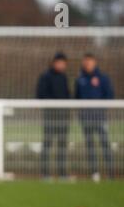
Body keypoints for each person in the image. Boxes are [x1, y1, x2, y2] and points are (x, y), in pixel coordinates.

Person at [75, 53, 114, 182]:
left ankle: (110, 172)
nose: (87, 64)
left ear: (95, 62)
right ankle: (95, 172)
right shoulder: (80, 79)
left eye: (90, 61)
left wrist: (101, 109)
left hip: (100, 118)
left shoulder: (103, 78)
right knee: (90, 145)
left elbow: (109, 95)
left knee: (104, 144)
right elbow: (76, 98)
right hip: (86, 118)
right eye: (85, 61)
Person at [36, 52, 71, 179]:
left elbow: (67, 94)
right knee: (48, 144)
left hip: (63, 117)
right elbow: (40, 94)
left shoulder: (64, 77)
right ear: (54, 62)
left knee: (62, 145)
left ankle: (62, 173)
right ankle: (45, 173)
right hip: (50, 116)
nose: (62, 65)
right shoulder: (45, 76)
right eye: (60, 62)